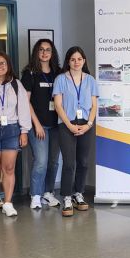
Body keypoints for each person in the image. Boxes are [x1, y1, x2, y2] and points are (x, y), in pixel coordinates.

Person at [0, 52, 32, 219]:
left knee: (9, 168)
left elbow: (23, 108)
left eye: (3, 63)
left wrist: (24, 131)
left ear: (8, 65)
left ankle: (8, 203)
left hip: (11, 129)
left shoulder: (16, 84)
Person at [53, 46, 99, 217]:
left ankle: (78, 194)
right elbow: (58, 105)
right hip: (67, 124)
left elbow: (94, 105)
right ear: (68, 61)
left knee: (84, 162)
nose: (76, 62)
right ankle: (66, 196)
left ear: (84, 61)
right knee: (69, 163)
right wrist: (70, 125)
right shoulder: (61, 79)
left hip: (86, 124)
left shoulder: (90, 80)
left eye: (79, 59)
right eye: (73, 59)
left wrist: (88, 124)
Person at [22, 39, 62, 209]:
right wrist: (36, 124)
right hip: (38, 125)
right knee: (41, 161)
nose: (45, 53)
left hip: (56, 125)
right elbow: (26, 101)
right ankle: (35, 195)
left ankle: (48, 193)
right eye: (41, 50)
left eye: (48, 50)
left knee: (53, 162)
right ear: (36, 52)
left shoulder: (59, 73)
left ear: (52, 53)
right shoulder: (29, 73)